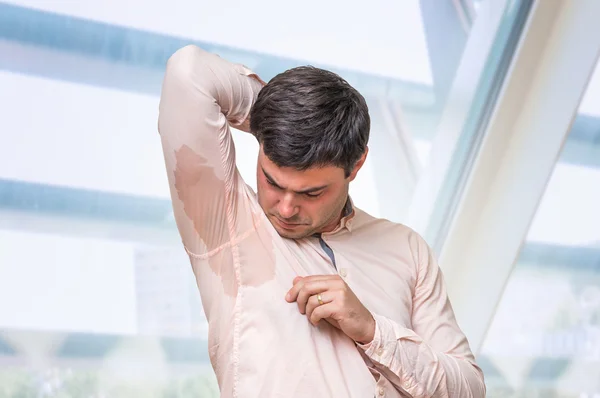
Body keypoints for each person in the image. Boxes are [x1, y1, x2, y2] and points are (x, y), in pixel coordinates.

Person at [157, 44, 485, 398]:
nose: (284, 208)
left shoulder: (406, 248)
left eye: (311, 193)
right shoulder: (228, 223)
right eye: (272, 182)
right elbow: (188, 73)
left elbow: (469, 389)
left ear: (356, 165)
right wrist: (279, 118)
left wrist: (372, 330)